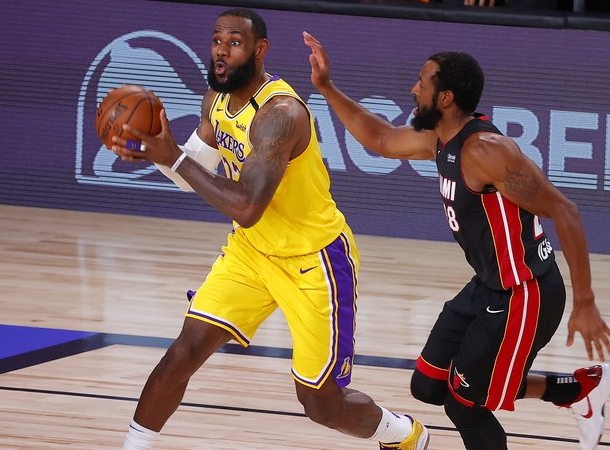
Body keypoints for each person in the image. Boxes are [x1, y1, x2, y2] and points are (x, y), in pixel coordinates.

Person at [110, 8, 429, 450]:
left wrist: (173, 156)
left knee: (320, 404)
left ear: (259, 50)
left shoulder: (281, 113)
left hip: (313, 260)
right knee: (183, 352)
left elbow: (248, 206)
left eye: (235, 42)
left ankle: (405, 434)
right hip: (252, 253)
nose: (221, 49)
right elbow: (191, 175)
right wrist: (157, 153)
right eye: (217, 39)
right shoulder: (215, 101)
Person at [303, 32, 610, 450]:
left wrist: (586, 302)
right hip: (487, 286)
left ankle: (576, 391)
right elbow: (379, 140)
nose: (414, 89)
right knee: (429, 385)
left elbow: (566, 211)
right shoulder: (439, 138)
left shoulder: (485, 151)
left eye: (423, 82)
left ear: (446, 97)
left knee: (465, 404)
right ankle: (577, 390)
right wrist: (325, 87)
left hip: (524, 293)